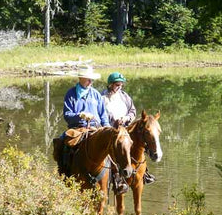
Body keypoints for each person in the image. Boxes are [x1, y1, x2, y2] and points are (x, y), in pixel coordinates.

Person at [59, 64, 128, 194]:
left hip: (97, 129)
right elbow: (67, 115)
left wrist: (107, 129)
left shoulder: (96, 94)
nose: (90, 82)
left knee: (113, 147)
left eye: (92, 79)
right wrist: (79, 115)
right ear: (80, 78)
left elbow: (103, 116)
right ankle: (65, 174)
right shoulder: (71, 93)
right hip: (78, 128)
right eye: (88, 79)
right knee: (64, 141)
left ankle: (117, 180)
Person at [102, 72, 156, 185]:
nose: (119, 87)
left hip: (125, 127)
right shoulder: (103, 97)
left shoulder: (125, 96)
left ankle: (144, 172)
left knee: (139, 142)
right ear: (110, 84)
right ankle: (113, 175)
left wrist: (126, 118)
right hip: (110, 128)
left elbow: (132, 111)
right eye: (117, 84)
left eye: (121, 85)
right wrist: (114, 120)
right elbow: (102, 113)